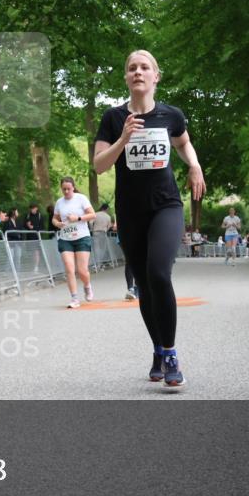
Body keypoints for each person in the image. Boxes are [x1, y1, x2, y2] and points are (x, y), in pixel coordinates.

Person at [94, 49, 205, 389]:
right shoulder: (113, 118)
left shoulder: (171, 115)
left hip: (166, 205)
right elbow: (99, 165)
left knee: (159, 272)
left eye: (145, 67)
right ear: (126, 78)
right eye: (132, 68)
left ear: (156, 76)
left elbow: (183, 143)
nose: (138, 72)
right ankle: (157, 348)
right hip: (130, 210)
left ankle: (170, 353)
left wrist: (194, 164)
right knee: (143, 284)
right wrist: (124, 139)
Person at [52, 176, 96, 308]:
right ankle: (74, 298)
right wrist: (57, 223)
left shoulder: (81, 198)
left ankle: (87, 286)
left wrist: (77, 218)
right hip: (66, 238)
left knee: (82, 270)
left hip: (82, 237)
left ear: (73, 187)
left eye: (68, 189)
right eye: (63, 189)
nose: (66, 192)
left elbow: (93, 215)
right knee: (69, 269)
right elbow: (54, 218)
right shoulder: (59, 202)